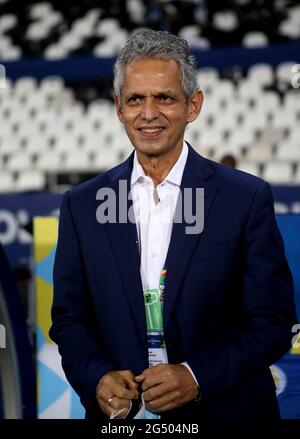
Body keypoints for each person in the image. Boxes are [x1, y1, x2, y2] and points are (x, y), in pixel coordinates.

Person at [50, 30, 296, 420]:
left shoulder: (245, 198)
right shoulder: (82, 205)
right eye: (135, 99)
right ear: (118, 108)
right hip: (122, 421)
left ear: (193, 105)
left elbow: (272, 321)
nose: (148, 113)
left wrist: (196, 376)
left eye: (164, 97)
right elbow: (69, 319)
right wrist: (97, 378)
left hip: (226, 411)